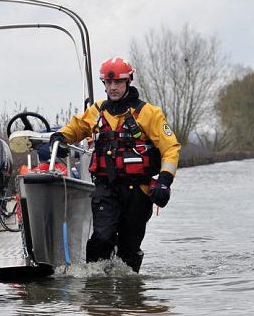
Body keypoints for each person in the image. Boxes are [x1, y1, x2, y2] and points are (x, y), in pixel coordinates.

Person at [50, 57, 180, 272]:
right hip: (106, 188)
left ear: (128, 81)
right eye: (108, 83)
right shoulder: (98, 111)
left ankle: (129, 294)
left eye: (118, 82)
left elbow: (170, 148)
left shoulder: (149, 114)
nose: (112, 87)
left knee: (129, 248)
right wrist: (59, 137)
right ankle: (97, 288)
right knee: (101, 238)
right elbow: (76, 127)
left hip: (137, 190)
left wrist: (165, 182)